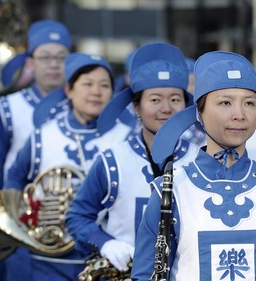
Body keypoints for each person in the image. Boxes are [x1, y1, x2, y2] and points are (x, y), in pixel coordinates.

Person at [131, 50, 256, 280]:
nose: (239, 114)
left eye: (249, 103)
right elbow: (144, 275)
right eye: (225, 103)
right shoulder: (170, 190)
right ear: (199, 113)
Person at [65, 42, 199, 276]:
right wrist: (104, 242)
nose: (166, 108)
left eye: (175, 100)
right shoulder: (112, 161)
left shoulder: (202, 159)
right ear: (136, 106)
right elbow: (77, 217)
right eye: (155, 100)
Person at [0, 52, 127, 281]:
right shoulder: (43, 135)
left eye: (104, 85)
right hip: (49, 262)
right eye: (87, 84)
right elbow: (15, 176)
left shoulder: (127, 136)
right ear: (68, 89)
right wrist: (23, 216)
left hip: (111, 261)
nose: (96, 92)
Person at [0, 18, 72, 281]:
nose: (55, 64)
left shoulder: (82, 106)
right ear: (30, 62)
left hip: (69, 222)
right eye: (46, 57)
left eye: (61, 57)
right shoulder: (9, 107)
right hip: (20, 223)